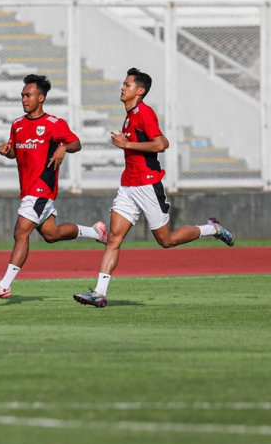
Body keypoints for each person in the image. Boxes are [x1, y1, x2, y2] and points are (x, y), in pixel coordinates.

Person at [73, 68, 234, 308]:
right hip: (128, 185)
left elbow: (161, 144)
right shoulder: (129, 115)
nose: (122, 87)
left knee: (166, 241)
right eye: (123, 83)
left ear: (140, 91)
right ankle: (99, 293)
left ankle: (212, 229)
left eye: (127, 84)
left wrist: (126, 144)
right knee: (114, 238)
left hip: (147, 184)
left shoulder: (144, 112)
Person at [0, 74, 107, 300]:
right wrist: (7, 151)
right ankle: (95, 232)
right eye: (22, 95)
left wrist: (63, 147)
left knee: (20, 232)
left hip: (41, 189)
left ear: (41, 98)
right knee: (51, 234)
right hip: (27, 189)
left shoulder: (54, 124)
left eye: (28, 95)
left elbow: (76, 143)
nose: (24, 99)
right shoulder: (17, 125)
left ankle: (4, 286)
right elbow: (15, 152)